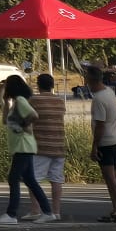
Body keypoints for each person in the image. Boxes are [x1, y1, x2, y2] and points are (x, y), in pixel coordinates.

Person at [0, 74, 51, 226]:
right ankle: (47, 212)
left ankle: (11, 214)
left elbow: (34, 115)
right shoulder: (15, 103)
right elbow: (4, 120)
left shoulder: (20, 101)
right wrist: (5, 101)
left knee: (13, 179)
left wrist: (23, 125)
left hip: (23, 146)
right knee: (30, 180)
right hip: (22, 146)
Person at [85, 64, 116, 222]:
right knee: (115, 175)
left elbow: (100, 125)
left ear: (90, 80)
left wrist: (94, 146)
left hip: (106, 142)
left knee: (110, 177)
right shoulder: (109, 92)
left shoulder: (98, 99)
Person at [29, 72, 68, 222]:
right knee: (56, 179)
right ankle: (56, 211)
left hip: (41, 145)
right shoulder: (60, 101)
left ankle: (36, 210)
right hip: (58, 144)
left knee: (35, 179)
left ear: (38, 85)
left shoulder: (34, 100)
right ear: (52, 85)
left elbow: (29, 118)